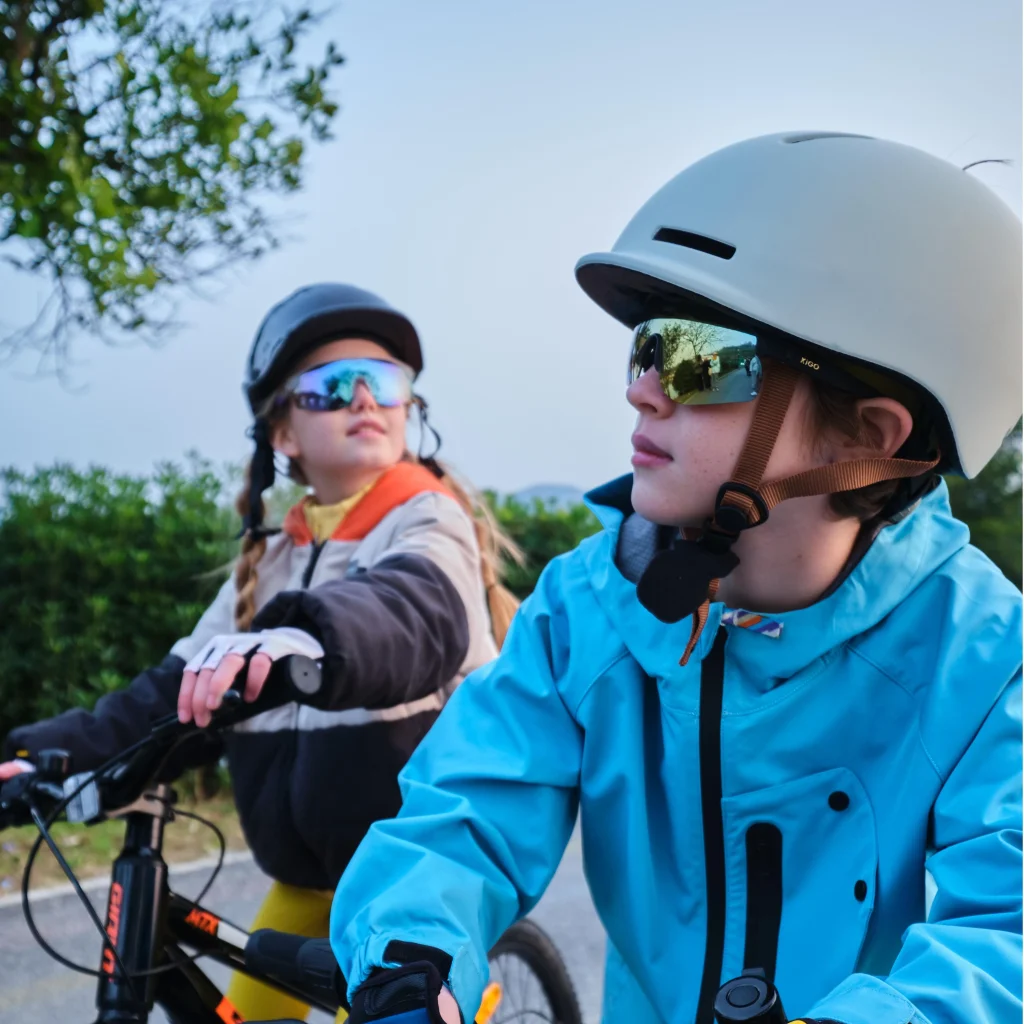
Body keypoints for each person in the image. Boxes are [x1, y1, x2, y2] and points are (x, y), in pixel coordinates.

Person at [328, 135, 1022, 1024]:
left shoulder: (984, 656)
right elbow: (465, 809)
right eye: (643, 349)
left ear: (871, 436)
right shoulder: (590, 606)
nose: (645, 390)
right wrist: (409, 963)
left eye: (699, 356)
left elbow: (1007, 934)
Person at [0, 283, 520, 1023]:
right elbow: (171, 692)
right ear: (282, 433)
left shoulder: (428, 521)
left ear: (411, 408)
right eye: (334, 386)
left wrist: (307, 640)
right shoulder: (266, 563)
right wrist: (48, 759)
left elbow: (412, 611)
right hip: (303, 879)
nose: (365, 398)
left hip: (408, 874)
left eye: (385, 382)